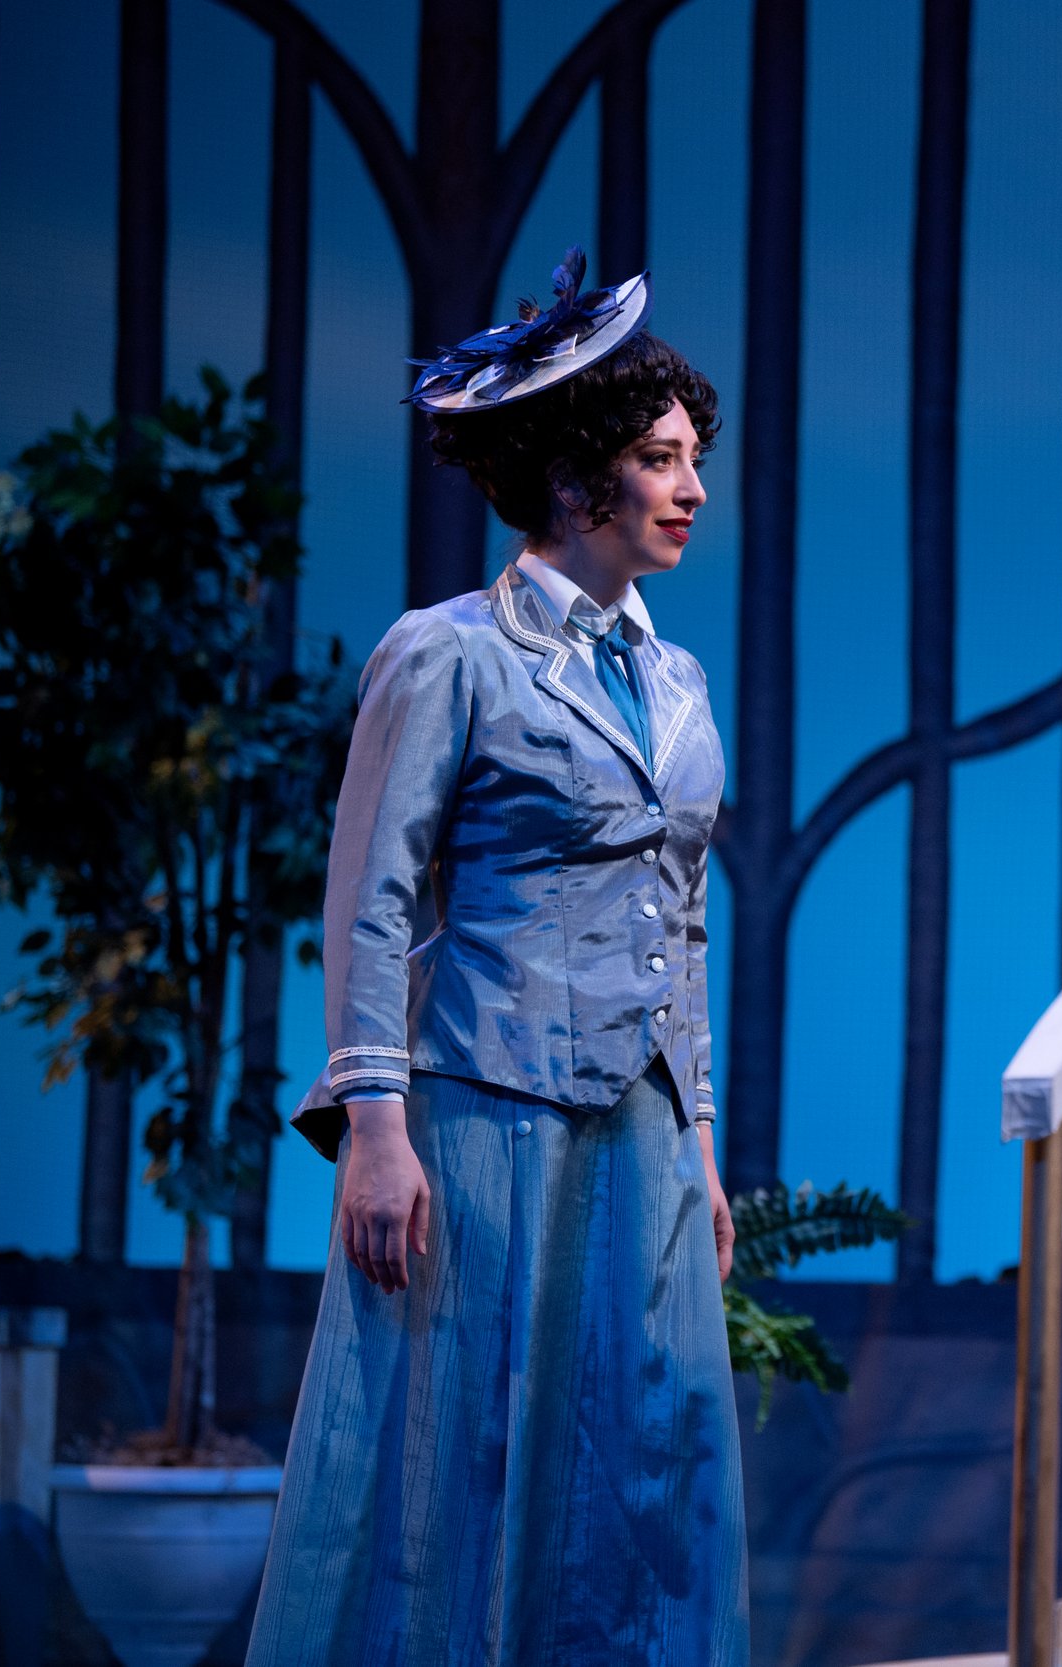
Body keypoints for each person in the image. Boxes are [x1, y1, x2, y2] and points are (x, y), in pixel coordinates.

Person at [248, 250, 748, 1665]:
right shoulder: (451, 653)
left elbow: (681, 919)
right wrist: (377, 1131)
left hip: (641, 1128)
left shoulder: (677, 680)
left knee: (652, 1462)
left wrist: (702, 1140)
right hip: (485, 1112)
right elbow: (372, 897)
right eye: (660, 461)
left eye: (694, 461)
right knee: (463, 1457)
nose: (691, 490)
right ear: (577, 478)